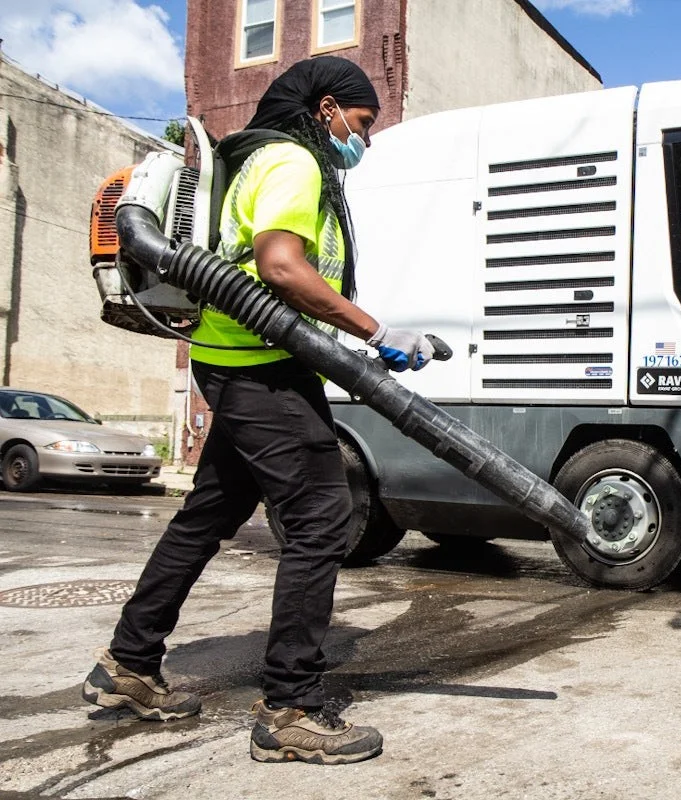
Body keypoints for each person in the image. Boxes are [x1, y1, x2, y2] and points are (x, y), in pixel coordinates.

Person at [81, 56, 430, 765]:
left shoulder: (259, 161)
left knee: (208, 515)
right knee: (322, 519)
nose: (363, 139)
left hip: (234, 359)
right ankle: (289, 709)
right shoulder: (293, 161)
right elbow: (279, 266)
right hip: (262, 367)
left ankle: (128, 664)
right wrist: (376, 329)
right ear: (327, 109)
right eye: (362, 123)